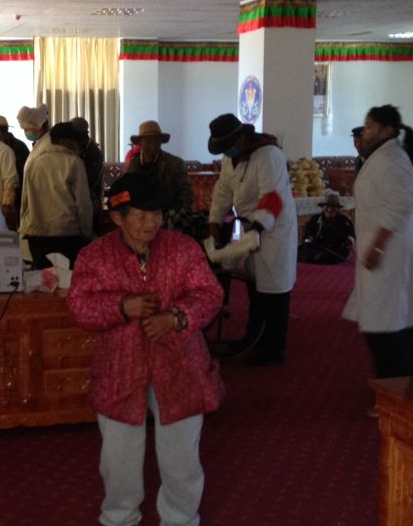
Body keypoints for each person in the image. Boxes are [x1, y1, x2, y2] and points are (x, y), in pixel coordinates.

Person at [67, 173, 225, 526]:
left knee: (182, 457)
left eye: (156, 214)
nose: (150, 223)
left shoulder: (183, 248)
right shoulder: (95, 256)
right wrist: (122, 307)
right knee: (119, 458)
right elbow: (80, 307)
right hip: (120, 369)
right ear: (117, 217)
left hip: (180, 366)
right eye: (139, 215)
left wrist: (177, 317)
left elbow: (210, 294)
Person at [343, 104, 413, 379]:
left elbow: (399, 205)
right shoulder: (380, 157)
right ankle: (403, 381)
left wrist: (378, 245)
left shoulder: (393, 160)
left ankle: (400, 384)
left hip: (391, 251)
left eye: (370, 127)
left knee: (389, 324)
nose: (364, 132)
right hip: (381, 250)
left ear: (387, 131)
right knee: (386, 321)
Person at [207, 113, 297, 366]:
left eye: (229, 147)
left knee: (274, 290)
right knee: (255, 286)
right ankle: (254, 338)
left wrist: (257, 229)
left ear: (242, 138)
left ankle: (274, 348)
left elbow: (273, 197)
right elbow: (223, 192)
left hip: (274, 227)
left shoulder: (269, 156)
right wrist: (214, 223)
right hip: (249, 227)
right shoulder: (230, 158)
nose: (228, 153)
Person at [18, 121, 94, 269]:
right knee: (67, 279)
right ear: (64, 141)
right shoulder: (73, 162)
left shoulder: (33, 162)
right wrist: (86, 232)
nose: (77, 146)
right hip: (66, 234)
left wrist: (24, 226)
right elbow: (83, 203)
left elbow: (25, 200)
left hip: (37, 234)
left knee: (43, 278)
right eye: (74, 141)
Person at [125, 120, 194, 216]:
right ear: (140, 143)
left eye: (157, 142)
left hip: (170, 215)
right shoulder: (132, 165)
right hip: (142, 216)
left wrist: (179, 213)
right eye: (148, 142)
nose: (153, 146)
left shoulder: (176, 163)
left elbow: (186, 193)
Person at [298, 190, 355, 264]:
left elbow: (351, 235)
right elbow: (308, 234)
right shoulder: (315, 218)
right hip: (317, 246)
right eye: (327, 206)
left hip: (334, 250)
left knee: (330, 256)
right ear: (323, 207)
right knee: (302, 251)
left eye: (333, 207)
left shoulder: (345, 222)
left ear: (337, 209)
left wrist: (349, 241)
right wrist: (310, 237)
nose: (329, 209)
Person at [70, 117, 105, 229]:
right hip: (74, 204)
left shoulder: (94, 153)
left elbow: (91, 180)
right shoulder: (74, 150)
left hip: (91, 202)